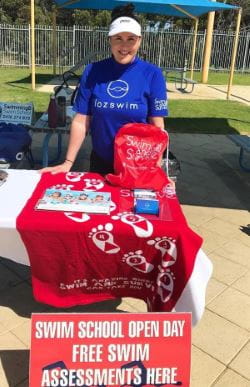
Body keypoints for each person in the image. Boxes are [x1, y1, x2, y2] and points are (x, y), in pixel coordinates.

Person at [40, 3, 168, 176]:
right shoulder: (93, 71)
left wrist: (157, 167)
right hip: (101, 162)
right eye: (118, 38)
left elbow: (157, 126)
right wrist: (68, 162)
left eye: (131, 39)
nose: (124, 46)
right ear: (109, 40)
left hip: (138, 166)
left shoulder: (152, 74)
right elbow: (81, 120)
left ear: (139, 40)